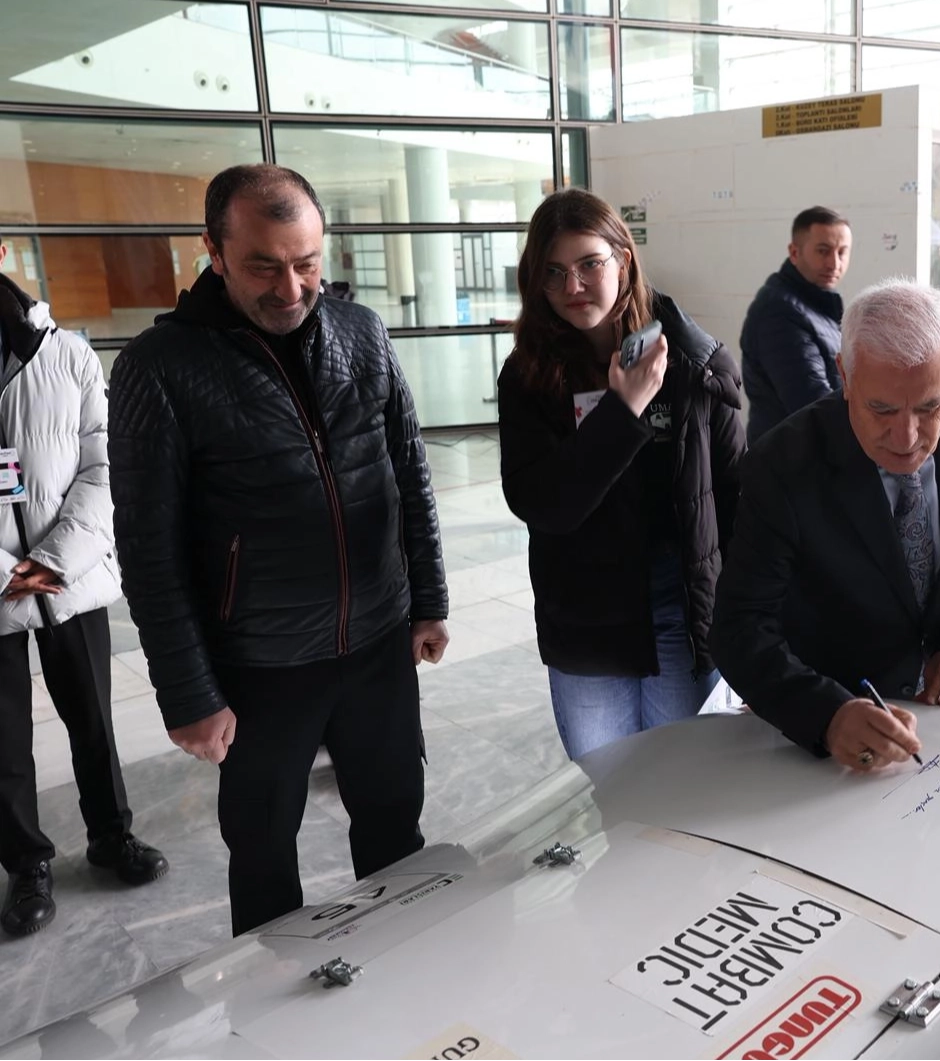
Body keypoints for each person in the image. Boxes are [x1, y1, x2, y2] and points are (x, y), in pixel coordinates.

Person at [108, 164, 450, 935]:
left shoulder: (361, 332)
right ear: (213, 250)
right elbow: (148, 549)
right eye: (264, 266)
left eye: (307, 263)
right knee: (263, 848)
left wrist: (427, 598)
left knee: (395, 825)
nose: (291, 288)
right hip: (259, 662)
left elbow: (407, 472)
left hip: (377, 643)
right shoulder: (158, 367)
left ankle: (408, 965)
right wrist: (189, 694)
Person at [712, 278, 940, 770]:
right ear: (845, 376)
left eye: (931, 406)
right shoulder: (782, 464)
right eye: (881, 409)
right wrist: (827, 715)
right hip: (831, 730)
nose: (907, 437)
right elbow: (739, 627)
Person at [498, 189, 745, 761]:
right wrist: (624, 408)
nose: (573, 286)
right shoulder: (529, 376)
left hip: (683, 609)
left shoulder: (689, 359)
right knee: (609, 782)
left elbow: (735, 494)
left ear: (623, 261)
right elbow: (545, 504)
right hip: (588, 615)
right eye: (554, 272)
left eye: (589, 264)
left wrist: (751, 624)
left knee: (682, 783)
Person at [0, 243, 167, 938]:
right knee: (3, 741)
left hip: (66, 574)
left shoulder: (66, 353)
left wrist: (51, 562)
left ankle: (111, 835)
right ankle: (26, 864)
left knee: (93, 718)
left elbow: (105, 464)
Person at [740, 207, 851, 445]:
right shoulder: (779, 312)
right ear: (794, 252)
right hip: (789, 458)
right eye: (823, 251)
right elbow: (814, 404)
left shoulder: (818, 304)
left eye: (842, 252)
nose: (834, 263)